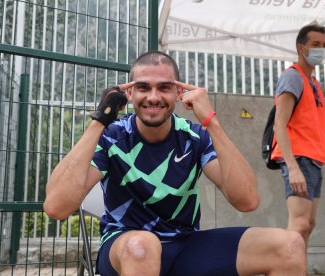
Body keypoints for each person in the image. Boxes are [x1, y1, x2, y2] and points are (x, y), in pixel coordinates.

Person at [44, 50, 306, 275]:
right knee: (142, 246)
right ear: (130, 92)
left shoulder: (195, 137)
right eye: (144, 87)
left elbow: (247, 201)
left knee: (290, 245)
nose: (154, 97)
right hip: (125, 248)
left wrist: (211, 122)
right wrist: (100, 119)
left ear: (180, 92)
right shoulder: (112, 136)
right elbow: (56, 207)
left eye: (164, 87)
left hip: (185, 246)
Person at [272, 24, 325, 248]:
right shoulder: (292, 77)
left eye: (323, 45)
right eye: (315, 45)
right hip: (298, 159)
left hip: (313, 161)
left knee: (308, 223)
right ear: (301, 48)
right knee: (299, 224)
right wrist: (292, 167)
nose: (320, 49)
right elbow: (279, 125)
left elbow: (315, 131)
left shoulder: (314, 84)